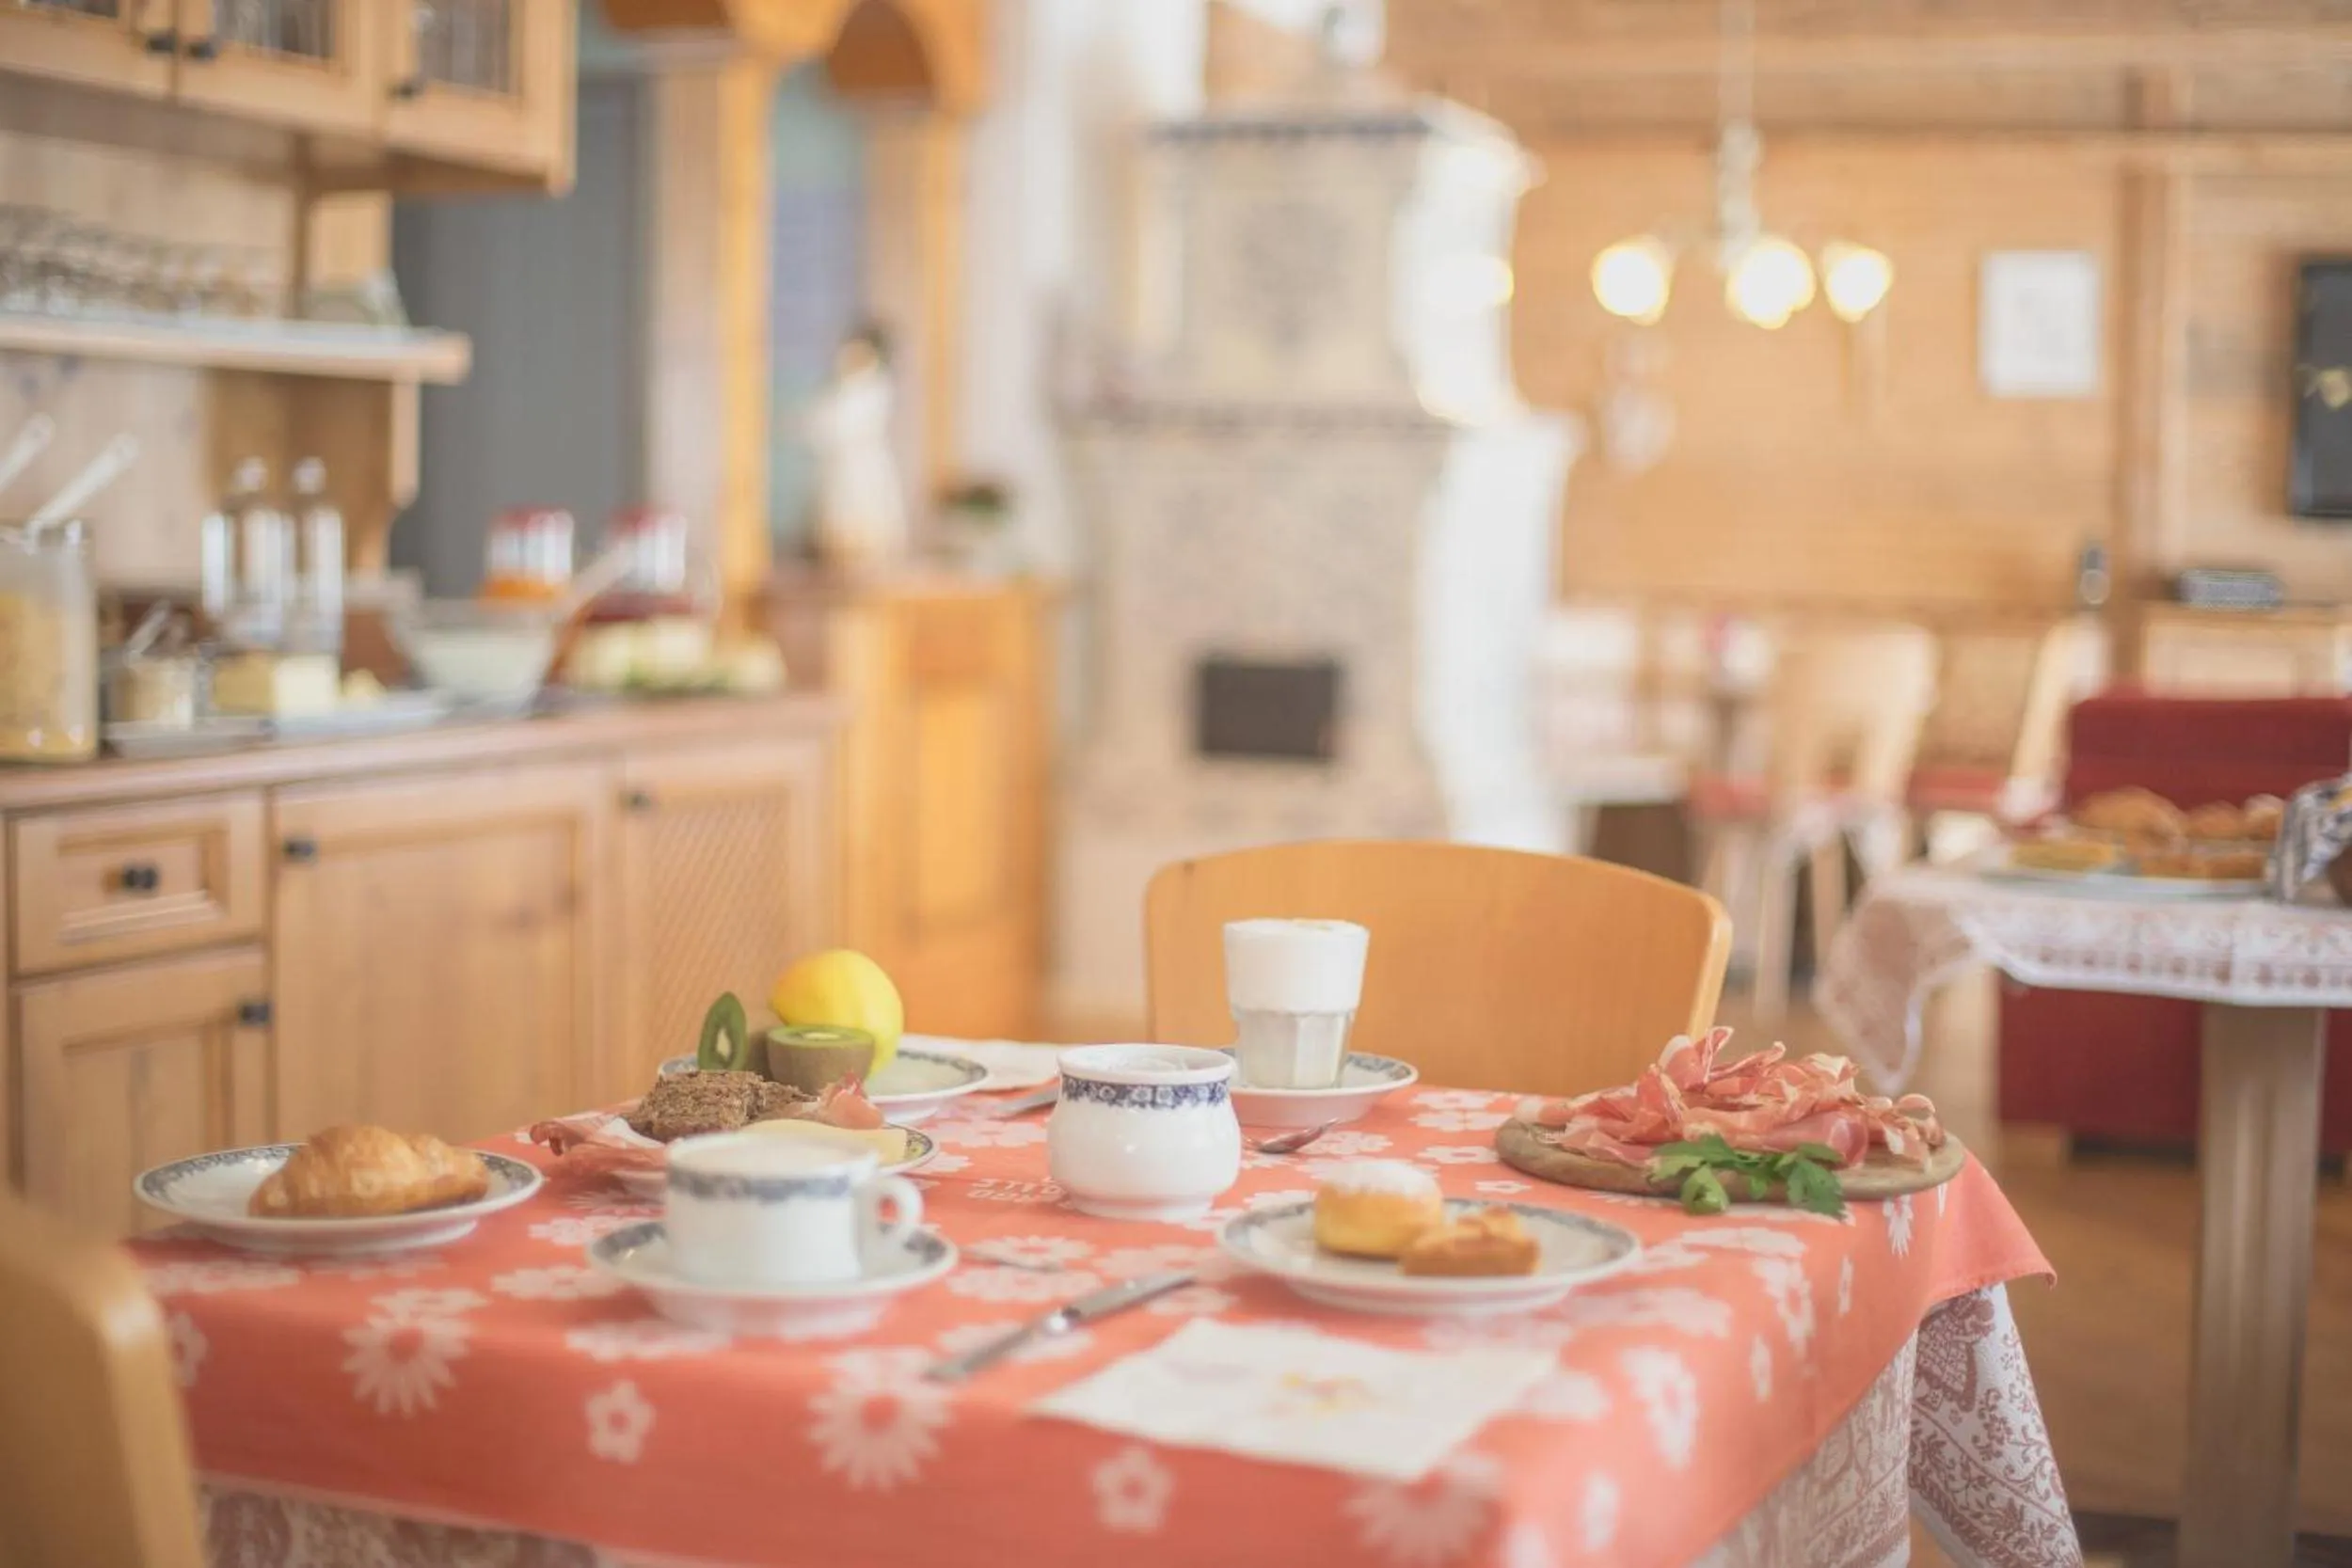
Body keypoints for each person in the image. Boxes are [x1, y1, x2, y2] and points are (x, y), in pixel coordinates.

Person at [803, 323, 909, 571]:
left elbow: (842, 426)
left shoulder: (872, 388)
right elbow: (821, 423)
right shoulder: (841, 388)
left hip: (860, 467)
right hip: (842, 467)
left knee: (864, 520)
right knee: (839, 526)